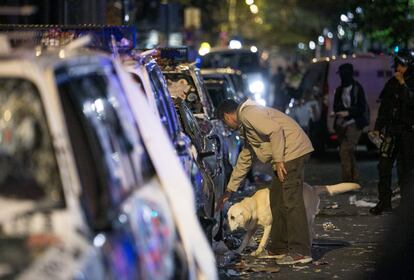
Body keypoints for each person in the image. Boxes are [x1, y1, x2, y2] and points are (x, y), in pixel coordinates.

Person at [215, 99, 314, 265]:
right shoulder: (245, 125)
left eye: (225, 122)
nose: (227, 126)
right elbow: (245, 157)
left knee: (291, 200)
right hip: (284, 156)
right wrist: (229, 190)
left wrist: (279, 160)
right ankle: (279, 247)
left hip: (292, 152)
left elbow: (275, 130)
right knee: (276, 200)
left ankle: (300, 251)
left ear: (228, 116)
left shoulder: (248, 113)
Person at [369, 55, 406, 215]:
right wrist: (378, 127)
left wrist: (403, 84)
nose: (398, 69)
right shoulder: (392, 83)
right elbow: (385, 107)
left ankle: (406, 205)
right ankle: (384, 201)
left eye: (400, 66)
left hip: (407, 133)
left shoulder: (409, 83)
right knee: (384, 166)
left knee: (405, 169)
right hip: (391, 132)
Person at [333, 63, 369, 182]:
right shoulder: (339, 90)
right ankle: (354, 177)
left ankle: (347, 180)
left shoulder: (357, 88)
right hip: (341, 124)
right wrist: (339, 112)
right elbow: (336, 106)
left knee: (345, 150)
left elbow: (361, 108)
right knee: (349, 151)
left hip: (355, 122)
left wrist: (348, 112)